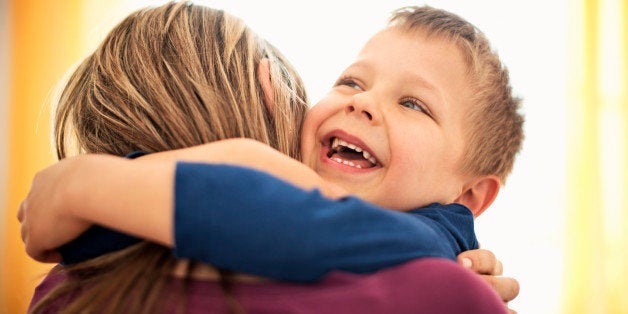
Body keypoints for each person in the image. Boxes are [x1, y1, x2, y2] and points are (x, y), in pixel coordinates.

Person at [19, 2, 519, 313]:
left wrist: (82, 189)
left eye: (413, 104)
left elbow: (291, 221)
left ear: (470, 195)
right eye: (350, 81)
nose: (361, 102)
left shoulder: (442, 243)